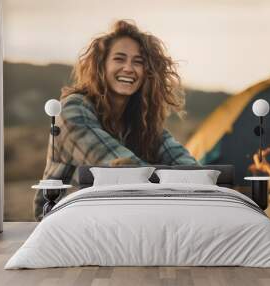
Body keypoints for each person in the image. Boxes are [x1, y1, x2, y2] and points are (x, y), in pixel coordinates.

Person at [34, 20, 198, 220]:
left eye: (138, 62)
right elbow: (122, 168)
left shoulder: (142, 121)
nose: (129, 68)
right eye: (119, 59)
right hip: (65, 217)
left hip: (121, 214)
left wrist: (200, 178)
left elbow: (189, 167)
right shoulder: (72, 110)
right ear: (101, 66)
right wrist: (174, 181)